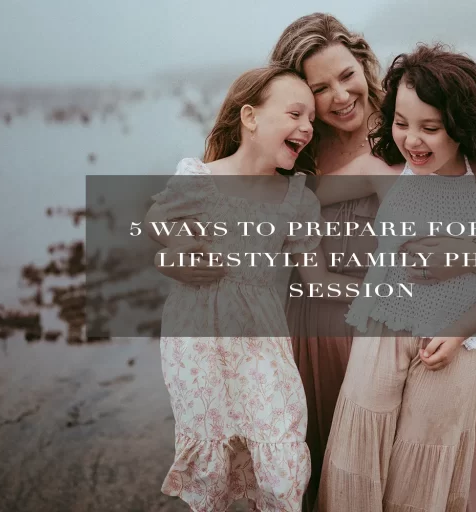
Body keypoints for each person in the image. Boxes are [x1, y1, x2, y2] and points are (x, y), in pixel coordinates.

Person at [314, 44, 476, 511]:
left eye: (430, 128)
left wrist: (459, 332)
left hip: (450, 346)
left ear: (462, 124)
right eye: (400, 123)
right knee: (355, 459)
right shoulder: (385, 169)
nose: (412, 140)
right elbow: (293, 194)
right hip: (379, 330)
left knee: (422, 473)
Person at [149, 66, 359, 512]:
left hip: (261, 341)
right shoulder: (200, 178)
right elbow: (156, 217)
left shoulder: (296, 198)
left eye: (310, 122)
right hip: (195, 344)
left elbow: (318, 280)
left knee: (280, 449)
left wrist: (386, 290)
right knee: (213, 460)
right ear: (250, 116)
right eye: (295, 114)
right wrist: (176, 248)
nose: (306, 127)